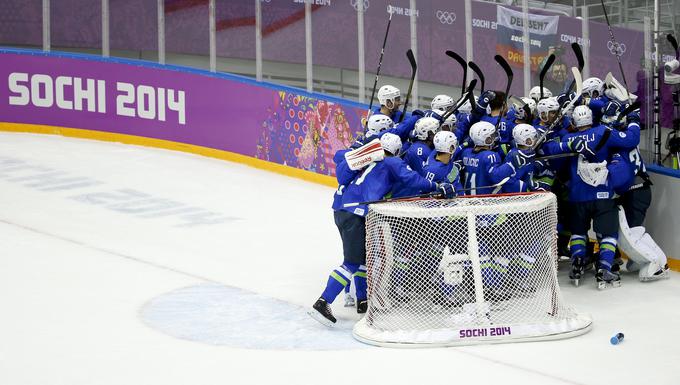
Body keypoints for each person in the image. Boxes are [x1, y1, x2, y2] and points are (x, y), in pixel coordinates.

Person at [309, 133, 456, 326]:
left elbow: (339, 156)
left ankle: (363, 300)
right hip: (356, 212)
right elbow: (411, 179)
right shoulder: (392, 162)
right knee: (351, 263)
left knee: (362, 259)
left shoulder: (369, 159)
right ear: (395, 151)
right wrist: (436, 186)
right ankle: (323, 302)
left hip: (345, 210)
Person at [548, 105, 640, 289]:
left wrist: (564, 139)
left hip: (577, 196)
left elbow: (550, 152)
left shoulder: (568, 138)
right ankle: (605, 268)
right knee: (607, 234)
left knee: (578, 233)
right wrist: (634, 121)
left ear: (574, 121)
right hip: (603, 195)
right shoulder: (603, 132)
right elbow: (631, 140)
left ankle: (577, 264)